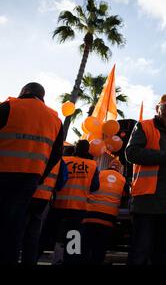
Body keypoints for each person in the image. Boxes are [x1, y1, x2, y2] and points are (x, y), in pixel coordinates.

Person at [0, 82, 63, 265]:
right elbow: (56, 154)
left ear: (25, 92)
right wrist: (38, 176)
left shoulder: (9, 106)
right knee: (14, 227)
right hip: (29, 180)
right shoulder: (55, 119)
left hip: (3, 174)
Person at [126, 94, 166, 265]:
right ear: (158, 108)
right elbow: (131, 153)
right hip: (146, 201)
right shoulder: (144, 126)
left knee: (162, 253)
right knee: (140, 250)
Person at [52, 140, 99, 264]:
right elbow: (95, 187)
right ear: (88, 150)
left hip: (59, 205)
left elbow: (56, 180)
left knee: (57, 234)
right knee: (74, 236)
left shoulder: (64, 160)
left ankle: (56, 259)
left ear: (75, 149)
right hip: (79, 208)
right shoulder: (92, 165)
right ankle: (71, 262)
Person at [21, 159, 68, 265]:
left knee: (15, 231)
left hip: (23, 194)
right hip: (45, 199)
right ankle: (69, 260)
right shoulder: (60, 161)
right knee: (33, 235)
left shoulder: (65, 160)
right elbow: (61, 183)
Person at [81, 159, 127, 265]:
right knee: (100, 246)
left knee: (86, 244)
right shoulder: (123, 180)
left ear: (108, 166)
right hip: (108, 218)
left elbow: (90, 188)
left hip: (90, 215)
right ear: (120, 169)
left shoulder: (100, 173)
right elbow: (125, 197)